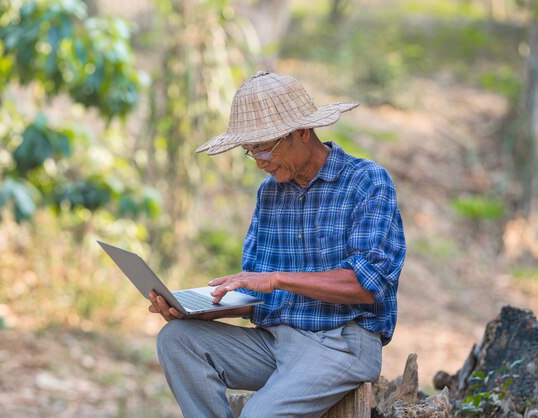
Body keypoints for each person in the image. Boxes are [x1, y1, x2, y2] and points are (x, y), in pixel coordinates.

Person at [148, 71, 406, 418]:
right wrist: (196, 309)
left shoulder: (366, 181)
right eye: (250, 151)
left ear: (302, 132)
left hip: (342, 344)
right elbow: (260, 298)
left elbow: (367, 284)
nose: (258, 162)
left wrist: (277, 278)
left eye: (265, 149)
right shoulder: (269, 194)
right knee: (177, 339)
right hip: (275, 342)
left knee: (258, 414)